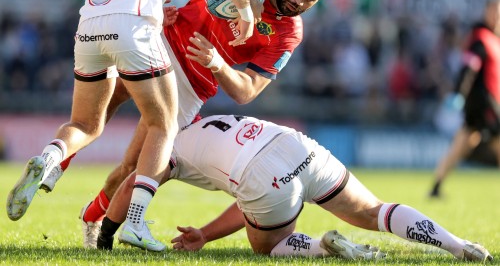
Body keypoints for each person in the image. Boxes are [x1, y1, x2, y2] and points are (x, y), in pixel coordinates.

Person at [36, 0, 340, 249]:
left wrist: (217, 64)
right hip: (162, 44)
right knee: (97, 113)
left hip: (192, 86)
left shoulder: (289, 33)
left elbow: (246, 91)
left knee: (133, 168)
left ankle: (92, 216)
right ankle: (55, 165)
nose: (297, 0)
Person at [6, 0, 260, 248]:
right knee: (164, 124)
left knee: (85, 124)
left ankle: (49, 158)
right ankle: (136, 223)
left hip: (88, 31)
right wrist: (245, 10)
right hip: (132, 30)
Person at [95, 114, 492, 262]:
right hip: (296, 145)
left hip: (259, 173)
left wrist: (105, 239)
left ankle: (322, 246)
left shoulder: (169, 147)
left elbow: (134, 183)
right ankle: (457, 246)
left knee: (266, 245)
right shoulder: (206, 123)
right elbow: (247, 206)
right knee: (376, 211)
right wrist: (207, 235)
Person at [429, 0, 500, 198]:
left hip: (487, 102)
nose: (497, 16)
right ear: (486, 12)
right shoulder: (481, 38)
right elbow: (469, 69)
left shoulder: (493, 40)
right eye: (494, 11)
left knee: (462, 143)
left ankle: (436, 186)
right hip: (483, 103)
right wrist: (460, 93)